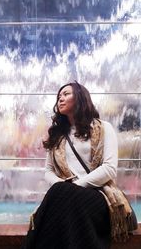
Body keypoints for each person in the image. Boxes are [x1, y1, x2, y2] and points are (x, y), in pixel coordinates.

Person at [22, 81, 118, 249]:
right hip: (65, 197)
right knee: (61, 193)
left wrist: (76, 186)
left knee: (59, 194)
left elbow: (109, 168)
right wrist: (64, 186)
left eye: (66, 94)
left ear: (80, 98)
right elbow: (48, 171)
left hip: (97, 196)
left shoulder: (104, 128)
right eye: (59, 96)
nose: (60, 99)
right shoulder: (56, 135)